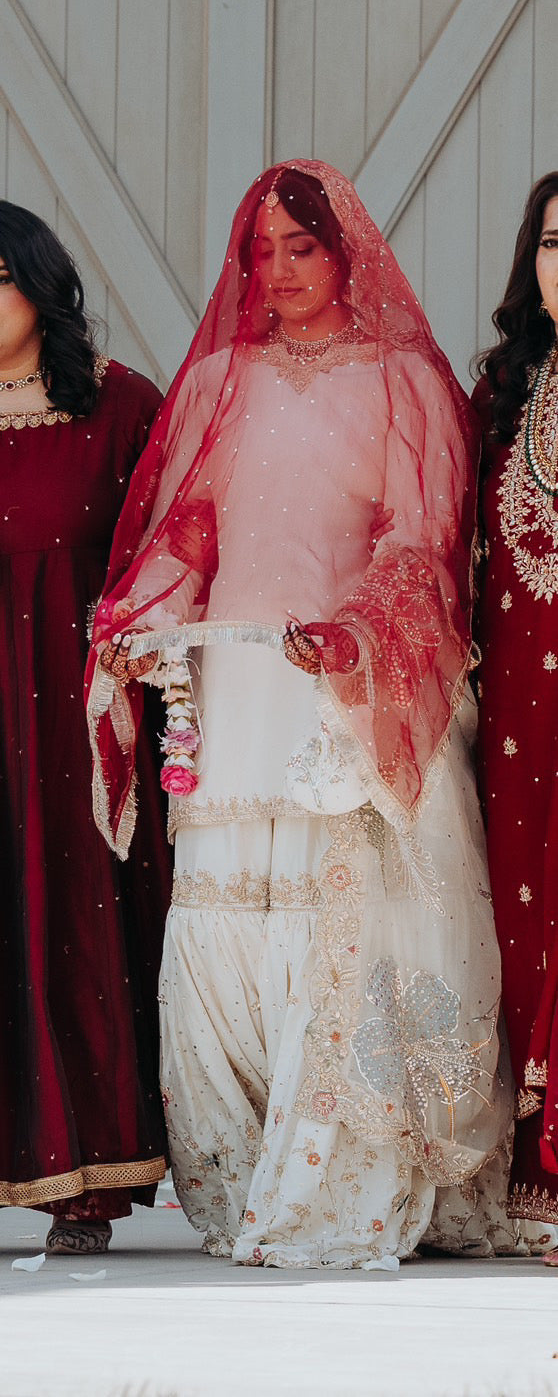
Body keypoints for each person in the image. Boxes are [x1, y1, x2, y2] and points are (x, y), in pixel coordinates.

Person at [90, 160, 538, 1269]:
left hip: (355, 692)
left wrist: (357, 637)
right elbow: (188, 533)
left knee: (350, 922)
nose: (281, 271)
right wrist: (145, 620)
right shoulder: (216, 383)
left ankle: (347, 1181)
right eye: (262, 252)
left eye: (303, 247)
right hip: (238, 692)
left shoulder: (406, 383)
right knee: (230, 921)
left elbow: (422, 545)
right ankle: (250, 1177)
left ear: (348, 254)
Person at [0, 200, 171, 1255]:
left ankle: (87, 1181)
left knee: (68, 917)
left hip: (73, 723)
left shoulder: (118, 408)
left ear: (38, 283)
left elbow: (173, 552)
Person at [474, 172, 558, 1264]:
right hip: (520, 709)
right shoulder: (501, 388)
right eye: (552, 243)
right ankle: (534, 1172)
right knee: (523, 921)